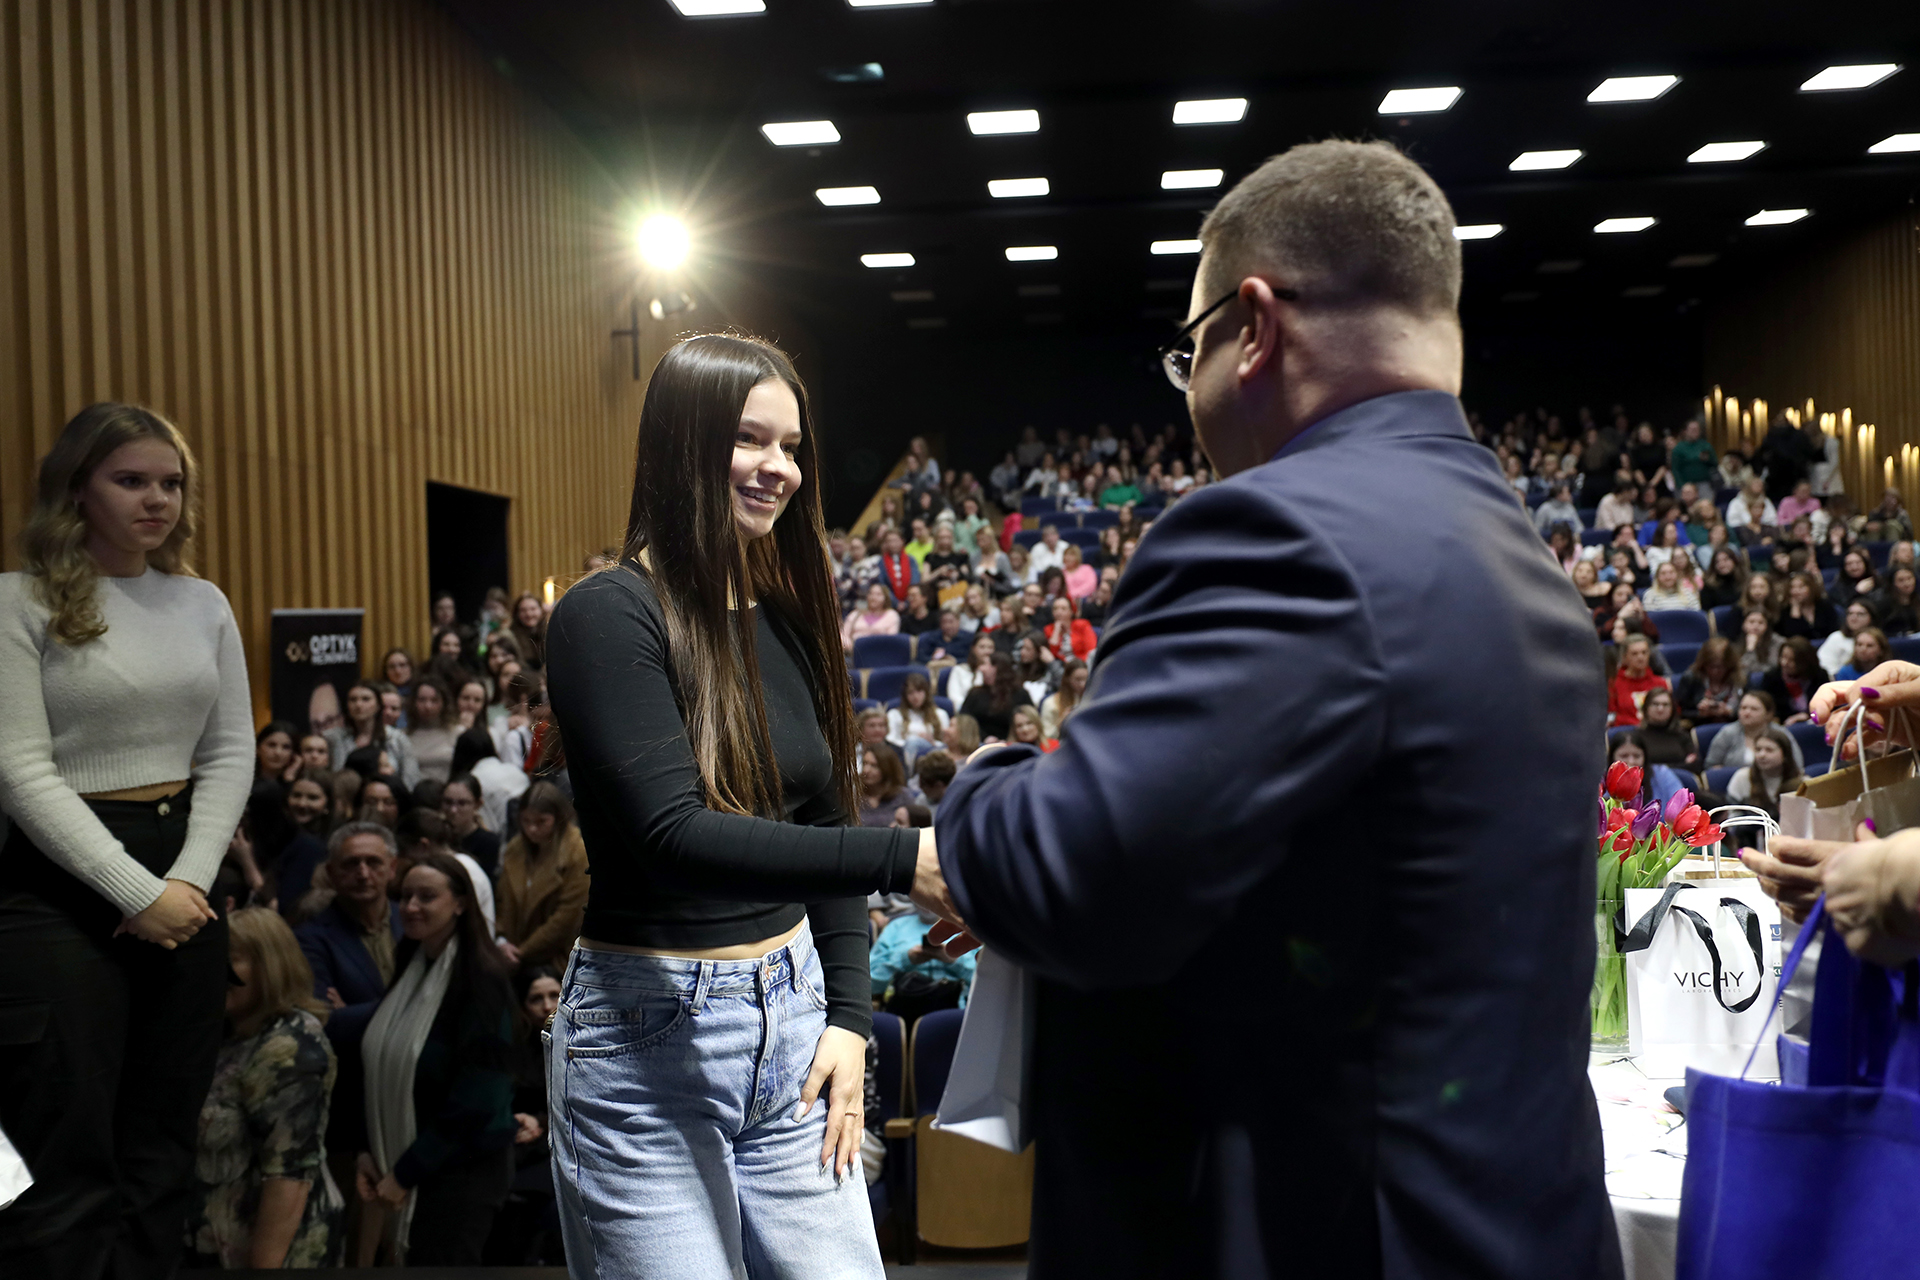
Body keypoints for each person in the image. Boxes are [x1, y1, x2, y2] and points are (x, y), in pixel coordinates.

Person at [931, 142, 1618, 1278]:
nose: (1189, 391)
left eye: (1187, 352)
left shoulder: (1279, 531)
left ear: (1252, 326)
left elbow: (1073, 873)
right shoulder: (1514, 549)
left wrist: (986, 781)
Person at [541, 335, 956, 1279]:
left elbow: (824, 827)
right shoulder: (608, 612)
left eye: (792, 447)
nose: (780, 469)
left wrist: (849, 1019)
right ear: (681, 443)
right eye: (749, 439)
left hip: (796, 1022)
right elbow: (674, 835)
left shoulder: (790, 622)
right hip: (645, 1046)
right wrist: (906, 860)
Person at [0, 404, 254, 1280]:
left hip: (185, 869)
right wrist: (135, 892)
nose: (158, 500)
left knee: (163, 1150)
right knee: (62, 1153)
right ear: (78, 488)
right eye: (131, 480)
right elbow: (18, 769)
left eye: (171, 483)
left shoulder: (202, 602)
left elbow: (230, 751)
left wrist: (184, 882)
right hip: (58, 877)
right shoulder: (17, 599)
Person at [356, 852, 516, 1265]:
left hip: (461, 1174)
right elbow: (378, 1062)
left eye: (426, 897)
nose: (411, 906)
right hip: (404, 1159)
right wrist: (367, 1151)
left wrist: (406, 1171)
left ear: (460, 903)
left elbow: (480, 1097)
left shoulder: (483, 979)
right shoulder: (411, 962)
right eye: (405, 896)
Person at [186, 907, 343, 1268]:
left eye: (231, 959)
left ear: (269, 966)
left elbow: (288, 1175)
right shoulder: (227, 1032)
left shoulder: (289, 1046)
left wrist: (263, 1270)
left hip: (271, 1252)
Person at [494, 782, 589, 969]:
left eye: (541, 822)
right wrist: (502, 941)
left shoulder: (577, 852)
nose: (532, 829)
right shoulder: (515, 848)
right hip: (511, 952)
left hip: (557, 959)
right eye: (526, 821)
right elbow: (502, 901)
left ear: (558, 817)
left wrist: (522, 951)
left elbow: (567, 918)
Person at [325, 680, 422, 791]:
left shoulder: (397, 739)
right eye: (353, 700)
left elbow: (411, 781)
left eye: (366, 699)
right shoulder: (333, 738)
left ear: (378, 706)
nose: (358, 705)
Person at [1724, 727, 1802, 838]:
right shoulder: (1742, 778)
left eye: (1769, 750)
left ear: (1785, 755)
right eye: (1758, 749)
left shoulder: (1802, 783)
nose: (1762, 755)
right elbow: (1731, 817)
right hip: (1748, 840)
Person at [1704, 690, 1806, 770]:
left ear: (1768, 714)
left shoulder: (1781, 733)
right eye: (1743, 708)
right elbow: (1711, 766)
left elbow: (1797, 764)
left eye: (1754, 709)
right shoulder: (1727, 733)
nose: (1747, 713)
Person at [1759, 636, 1829, 725]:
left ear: (1804, 662)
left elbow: (1826, 705)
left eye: (1791, 660)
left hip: (1815, 721)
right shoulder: (1772, 678)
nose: (1784, 663)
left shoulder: (1819, 676)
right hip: (1785, 724)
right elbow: (1771, 711)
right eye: (1783, 657)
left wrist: (1809, 716)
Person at [1674, 637, 1742, 725]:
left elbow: (1752, 711)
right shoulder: (1691, 679)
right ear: (1703, 664)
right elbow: (1680, 712)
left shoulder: (1739, 680)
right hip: (1698, 725)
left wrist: (1729, 712)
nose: (1715, 671)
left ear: (1729, 665)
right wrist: (1699, 713)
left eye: (1720, 667)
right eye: (1711, 666)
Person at [406, 675, 459, 784]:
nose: (428, 706)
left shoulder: (457, 733)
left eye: (434, 700)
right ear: (413, 703)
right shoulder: (404, 736)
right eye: (422, 700)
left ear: (444, 703)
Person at [1608, 633, 1669, 727]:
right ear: (1625, 657)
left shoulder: (1660, 683)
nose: (1640, 657)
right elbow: (1611, 716)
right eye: (1634, 654)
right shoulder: (1614, 684)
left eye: (1644, 652)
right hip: (1626, 732)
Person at [1635, 687, 1698, 769]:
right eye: (1655, 704)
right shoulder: (1636, 737)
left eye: (1665, 705)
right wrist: (1682, 765)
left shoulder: (1682, 735)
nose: (1660, 709)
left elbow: (1695, 764)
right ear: (1646, 708)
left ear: (1672, 709)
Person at [1818, 598, 1881, 676]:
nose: (1853, 617)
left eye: (1860, 614)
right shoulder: (1836, 637)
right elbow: (1825, 665)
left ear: (1871, 617)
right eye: (1850, 613)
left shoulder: (1879, 637)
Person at [1773, 571, 1838, 642]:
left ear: (1811, 588)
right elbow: (1793, 637)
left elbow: (1834, 631)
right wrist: (1795, 610)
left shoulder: (1824, 606)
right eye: (1792, 587)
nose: (1796, 591)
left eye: (1801, 587)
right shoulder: (1784, 610)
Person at [857, 749, 912, 829]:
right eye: (864, 764)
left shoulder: (903, 797)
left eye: (874, 766)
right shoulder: (854, 797)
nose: (866, 770)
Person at [840, 581, 900, 653]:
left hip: (880, 653)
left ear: (885, 598)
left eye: (878, 594)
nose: (873, 597)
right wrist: (850, 646)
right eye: (871, 593)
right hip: (854, 653)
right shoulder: (855, 614)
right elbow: (843, 635)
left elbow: (891, 640)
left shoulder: (891, 615)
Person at [1698, 546, 1748, 612]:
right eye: (1717, 562)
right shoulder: (1709, 586)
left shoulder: (1746, 580)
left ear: (1734, 561)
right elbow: (1707, 611)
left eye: (1726, 560)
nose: (1722, 564)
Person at [509, 593, 547, 671]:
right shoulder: (510, 636)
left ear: (541, 610)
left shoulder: (549, 632)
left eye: (533, 609)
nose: (528, 614)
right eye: (523, 610)